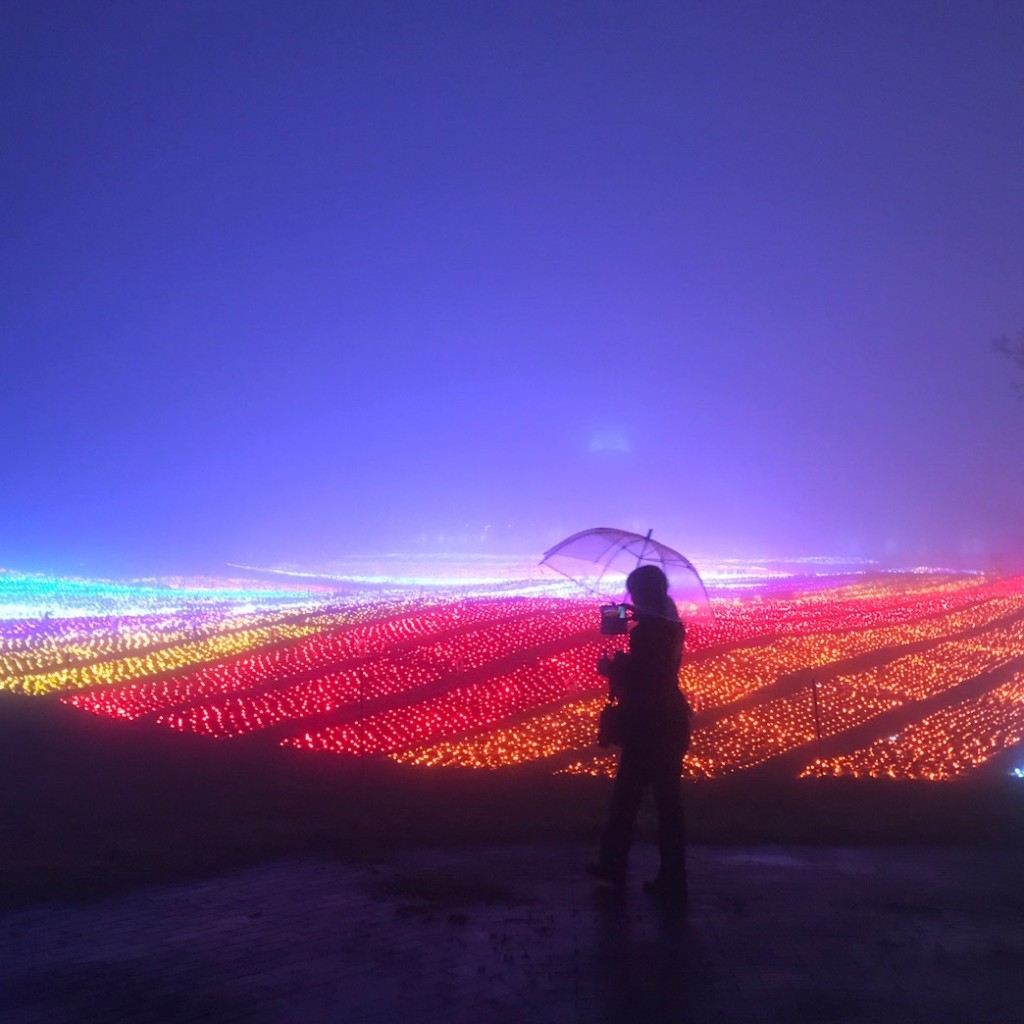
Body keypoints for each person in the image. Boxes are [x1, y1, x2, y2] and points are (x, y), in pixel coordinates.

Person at [589, 564, 691, 906]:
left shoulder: (651, 629)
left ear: (644, 592)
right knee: (664, 803)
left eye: (634, 592)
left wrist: (613, 667)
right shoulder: (670, 620)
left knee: (630, 799)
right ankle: (668, 876)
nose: (630, 598)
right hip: (670, 719)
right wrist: (634, 618)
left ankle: (615, 867)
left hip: (651, 722)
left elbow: (646, 673)